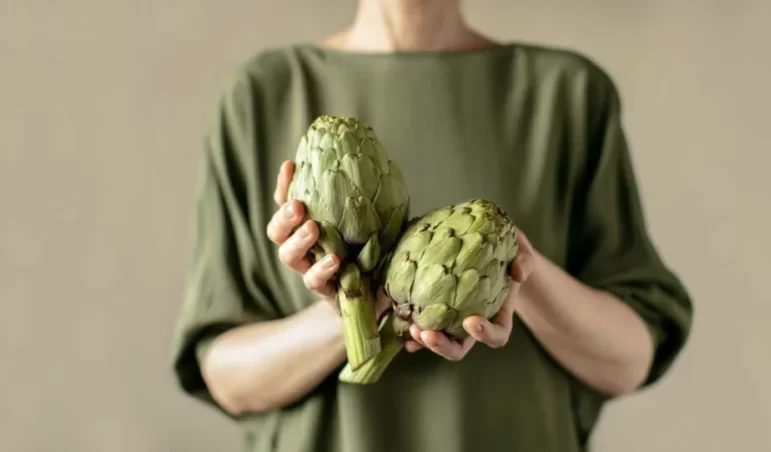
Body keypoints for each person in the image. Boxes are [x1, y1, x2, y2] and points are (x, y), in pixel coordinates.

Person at [170, 0, 694, 451]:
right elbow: (227, 377)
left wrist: (509, 270)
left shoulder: (569, 95)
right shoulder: (262, 95)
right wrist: (354, 305)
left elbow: (628, 359)